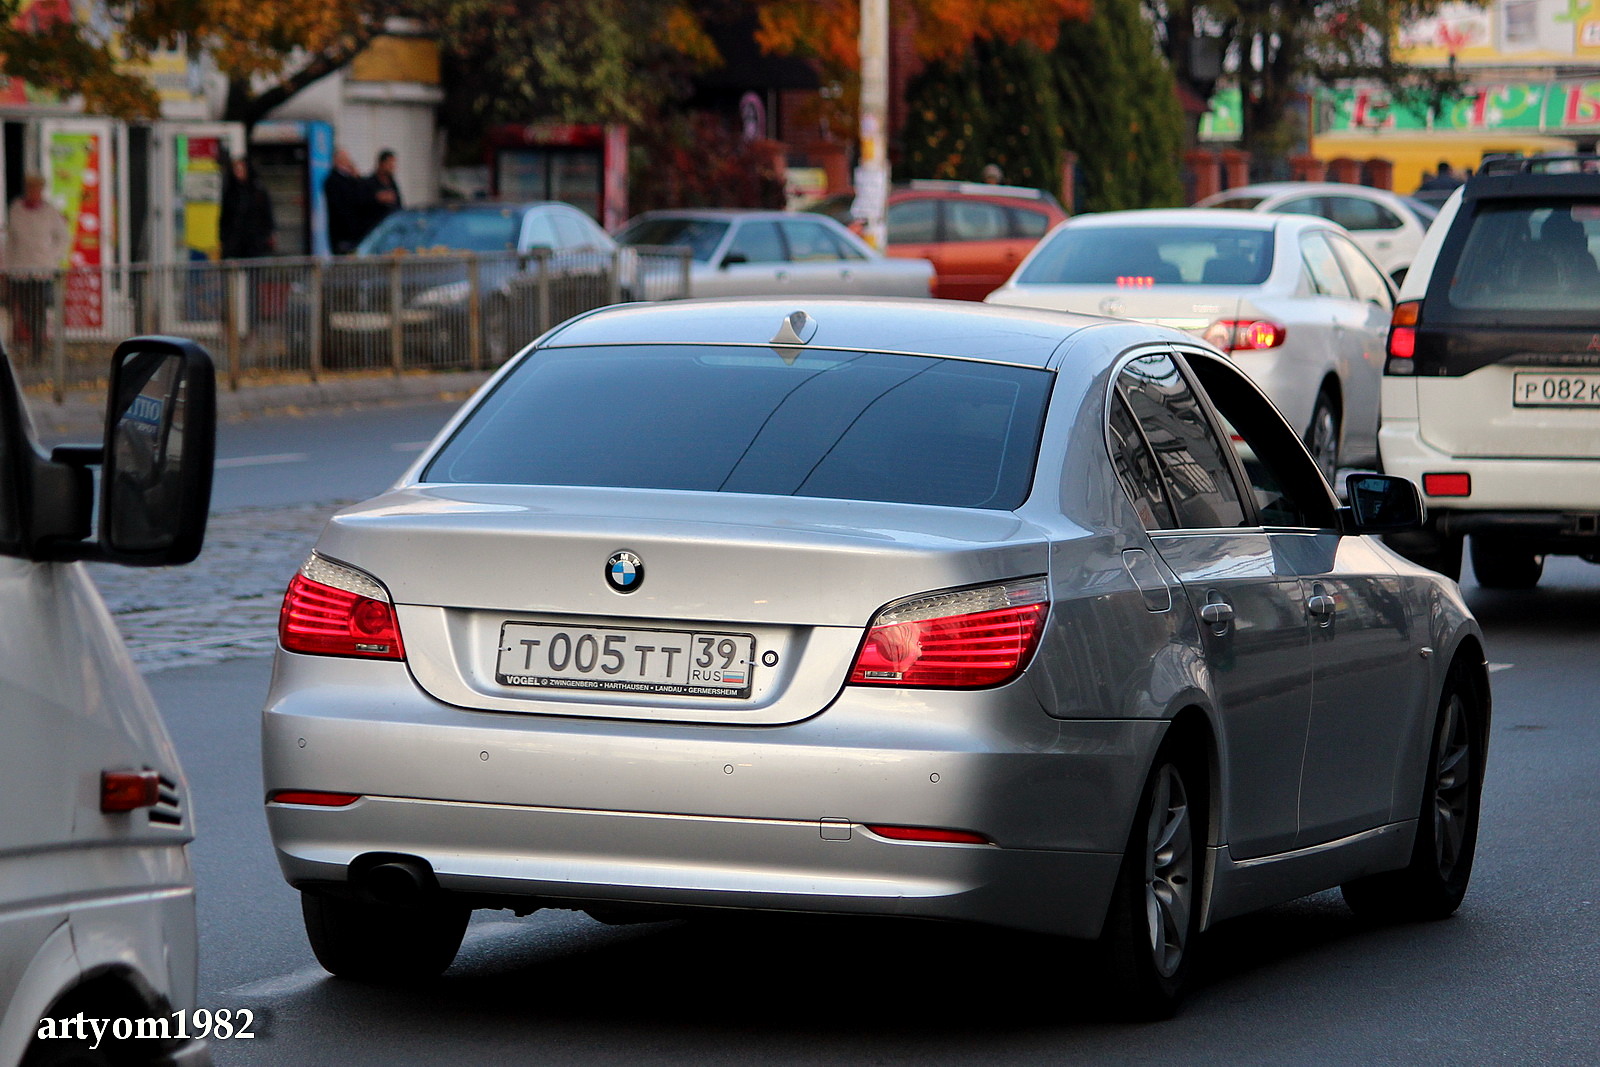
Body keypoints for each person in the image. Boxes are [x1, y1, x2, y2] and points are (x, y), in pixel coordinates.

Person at [3, 174, 70, 363]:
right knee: (25, 310)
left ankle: (38, 349)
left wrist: (53, 257)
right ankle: (33, 344)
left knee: (39, 309)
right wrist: (7, 268)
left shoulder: (49, 211)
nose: (34, 192)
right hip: (20, 269)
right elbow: (11, 241)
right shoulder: (16, 209)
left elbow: (63, 237)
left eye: (37, 189)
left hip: (42, 269)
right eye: (31, 188)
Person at [219, 156, 276, 259]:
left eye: (241, 170)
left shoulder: (258, 191)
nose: (238, 173)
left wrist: (267, 234)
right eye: (236, 170)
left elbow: (267, 214)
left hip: (255, 243)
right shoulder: (230, 192)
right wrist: (224, 239)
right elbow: (225, 218)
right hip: (234, 243)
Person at [324, 148, 376, 253]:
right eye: (345, 158)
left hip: (356, 233)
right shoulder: (333, 180)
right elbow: (343, 207)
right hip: (342, 234)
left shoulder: (351, 180)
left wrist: (357, 178)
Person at [367, 149, 402, 232]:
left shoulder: (392, 184)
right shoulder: (369, 183)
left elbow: (399, 204)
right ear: (382, 164)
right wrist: (377, 198)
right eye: (390, 164)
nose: (392, 167)